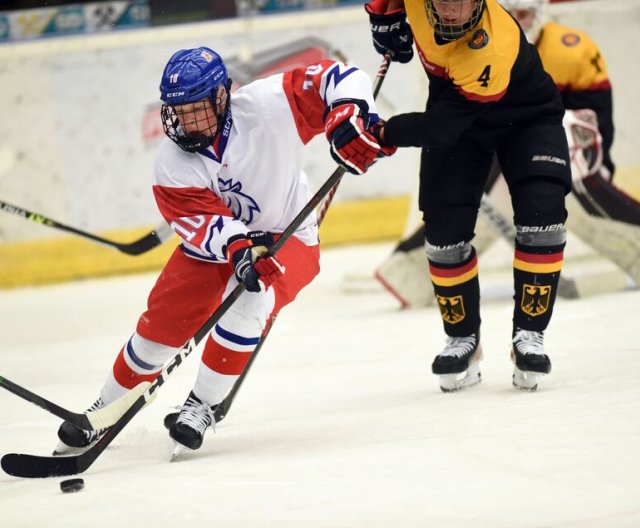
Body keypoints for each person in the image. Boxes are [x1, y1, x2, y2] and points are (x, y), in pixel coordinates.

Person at [54, 46, 393, 454]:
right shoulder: (171, 163)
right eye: (178, 111)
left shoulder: (270, 105)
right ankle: (103, 411)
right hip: (216, 249)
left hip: (287, 235)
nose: (186, 122)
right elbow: (203, 223)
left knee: (252, 298)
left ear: (222, 96)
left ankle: (201, 404)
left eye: (197, 109)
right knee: (159, 332)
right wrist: (238, 247)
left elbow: (339, 77)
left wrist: (348, 115)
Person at [373, 0, 640, 310]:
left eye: (525, 14)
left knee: (552, 149)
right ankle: (414, 270)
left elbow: (595, 125)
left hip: (559, 156)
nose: (518, 21)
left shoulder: (572, 50)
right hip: (495, 156)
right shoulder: (472, 45)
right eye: (510, 13)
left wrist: (597, 164)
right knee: (475, 189)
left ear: (540, 14)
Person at [364, 0, 572, 392]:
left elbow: (442, 129)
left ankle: (529, 334)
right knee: (443, 235)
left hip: (526, 116)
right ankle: (464, 339)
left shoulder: (489, 47)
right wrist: (382, 14)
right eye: (442, 0)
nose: (452, 10)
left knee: (543, 218)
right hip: (456, 108)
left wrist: (380, 134)